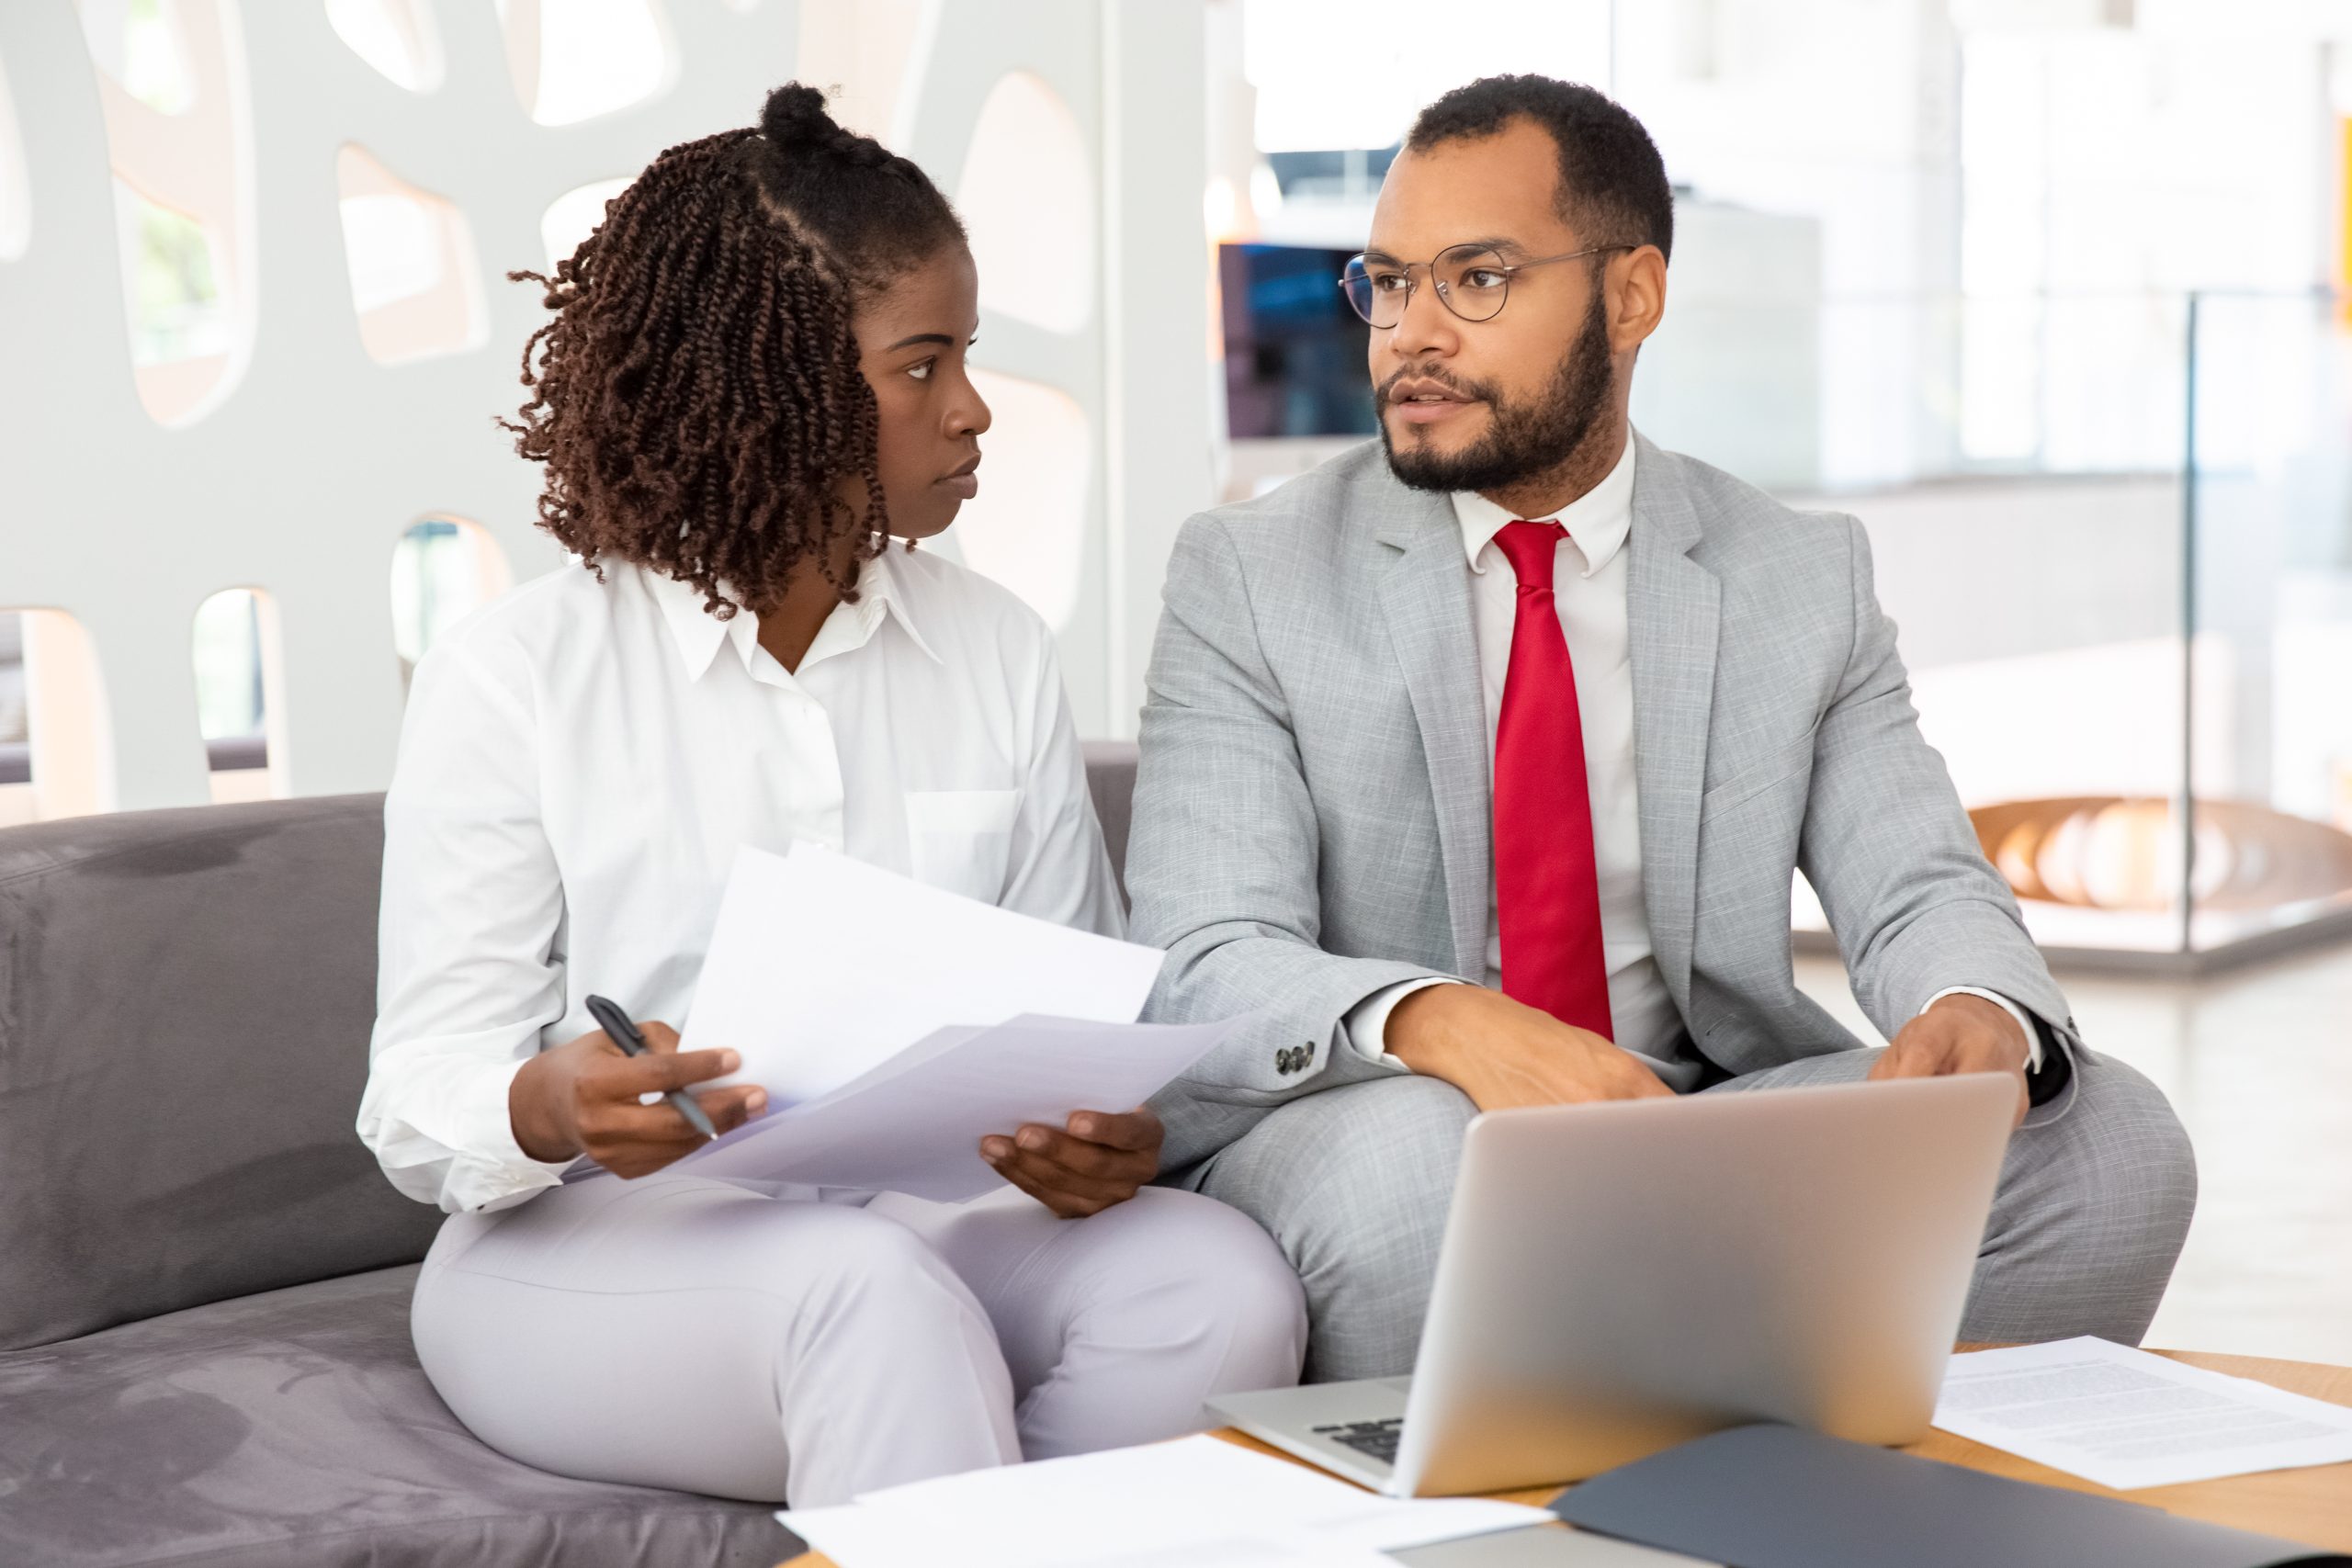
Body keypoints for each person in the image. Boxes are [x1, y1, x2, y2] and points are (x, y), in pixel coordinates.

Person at [1126, 74, 2197, 1383]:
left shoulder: (1797, 574)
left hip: (1684, 1108)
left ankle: (1785, 1452)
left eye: (1476, 280)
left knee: (2110, 1143)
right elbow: (1206, 956)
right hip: (1382, 1113)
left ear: (1631, 297)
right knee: (1430, 1176)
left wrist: (1972, 1008)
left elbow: (1918, 885)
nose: (1410, 334)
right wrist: (1445, 1024)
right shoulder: (1252, 572)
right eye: (1388, 283)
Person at [356, 85, 1304, 1507]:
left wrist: (1097, 1139)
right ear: (770, 382)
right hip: (585, 1247)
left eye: (965, 357)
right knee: (865, 1297)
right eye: (923, 365)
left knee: (1215, 1287)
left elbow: (1075, 1019)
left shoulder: (994, 648)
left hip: (913, 1218)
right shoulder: (513, 675)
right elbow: (415, 1096)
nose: (972, 409)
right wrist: (550, 1104)